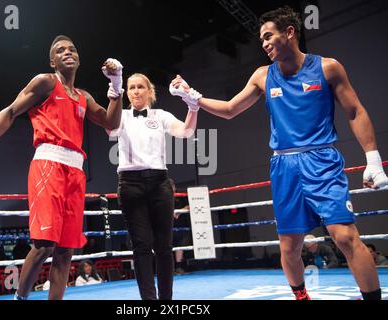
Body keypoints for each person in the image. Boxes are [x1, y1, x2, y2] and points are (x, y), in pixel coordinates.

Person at [169, 6, 387, 300]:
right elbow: (231, 109)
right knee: (288, 246)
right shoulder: (262, 76)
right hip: (284, 166)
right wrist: (192, 96)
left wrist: (372, 159)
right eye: (261, 40)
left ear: (290, 32)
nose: (265, 43)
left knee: (346, 237)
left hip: (321, 159)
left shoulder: (327, 67)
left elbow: (355, 110)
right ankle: (302, 297)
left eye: (269, 36)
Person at [0, 35, 123, 300]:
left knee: (66, 251)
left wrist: (116, 83)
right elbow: (10, 111)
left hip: (76, 172)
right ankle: (21, 298)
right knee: (44, 246)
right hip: (48, 166)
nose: (68, 52)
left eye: (72, 49)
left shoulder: (83, 96)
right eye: (60, 50)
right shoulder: (45, 82)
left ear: (78, 57)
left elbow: (111, 122)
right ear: (52, 60)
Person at [108, 73, 198, 300]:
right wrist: (114, 97)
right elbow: (110, 130)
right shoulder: (122, 115)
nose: (136, 91)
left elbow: (186, 132)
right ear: (127, 92)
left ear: (149, 91)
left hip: (159, 183)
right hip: (130, 184)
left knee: (164, 247)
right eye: (131, 88)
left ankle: (166, 301)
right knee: (141, 247)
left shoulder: (160, 115)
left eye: (140, 87)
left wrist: (193, 106)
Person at [169, 179, 191, 275]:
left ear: (174, 187)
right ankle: (170, 269)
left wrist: (179, 211)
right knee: (167, 247)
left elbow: (190, 205)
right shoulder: (162, 198)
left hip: (181, 226)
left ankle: (179, 267)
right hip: (168, 226)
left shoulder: (181, 196)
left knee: (180, 246)